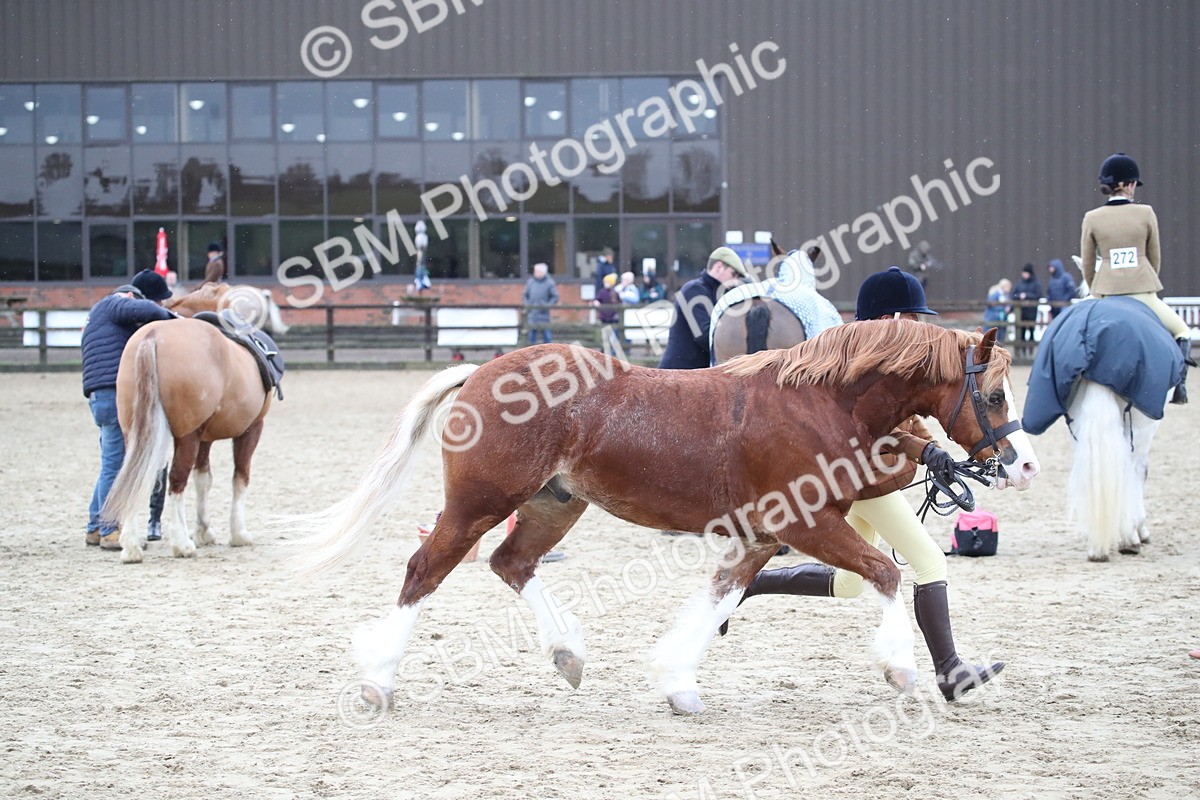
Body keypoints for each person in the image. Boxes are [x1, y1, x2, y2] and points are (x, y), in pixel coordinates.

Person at [723, 266, 1004, 701]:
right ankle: (950, 671)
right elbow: (877, 428)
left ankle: (753, 584)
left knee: (852, 582)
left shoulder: (887, 359)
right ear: (892, 317)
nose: (918, 326)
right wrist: (924, 451)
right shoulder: (864, 365)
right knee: (931, 562)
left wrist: (932, 451)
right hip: (866, 480)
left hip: (871, 477)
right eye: (913, 316)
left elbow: (907, 417)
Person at [1081, 152, 1192, 403]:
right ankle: (1179, 389)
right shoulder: (1145, 213)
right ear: (1129, 184)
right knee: (1182, 330)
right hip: (1142, 291)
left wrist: (1096, 290)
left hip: (1106, 292)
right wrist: (1145, 284)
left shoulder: (1092, 218)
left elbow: (1088, 264)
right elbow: (1155, 258)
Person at [81, 270, 176, 550]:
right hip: (112, 393)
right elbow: (145, 308)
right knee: (116, 463)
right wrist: (170, 318)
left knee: (108, 462)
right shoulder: (114, 303)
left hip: (99, 394)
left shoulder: (97, 315)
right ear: (129, 295)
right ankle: (111, 529)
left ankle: (95, 527)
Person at [658, 247, 747, 369]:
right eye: (734, 274)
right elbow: (704, 335)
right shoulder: (693, 290)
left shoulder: (716, 294)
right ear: (719, 267)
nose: (736, 281)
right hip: (678, 374)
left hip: (694, 375)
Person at [522, 262, 559, 345]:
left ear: (543, 272)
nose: (535, 273)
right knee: (531, 337)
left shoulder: (550, 283)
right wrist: (528, 305)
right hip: (532, 314)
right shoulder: (530, 282)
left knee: (547, 336)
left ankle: (549, 354)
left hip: (544, 314)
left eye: (537, 271)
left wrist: (547, 306)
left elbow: (555, 296)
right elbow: (525, 295)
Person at [1013, 263, 1042, 352]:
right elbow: (1013, 295)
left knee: (1031, 331)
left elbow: (1038, 295)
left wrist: (1027, 295)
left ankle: (1031, 350)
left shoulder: (1036, 284)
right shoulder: (1019, 283)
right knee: (1021, 331)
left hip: (1031, 311)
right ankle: (1022, 351)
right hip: (1021, 311)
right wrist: (1019, 296)